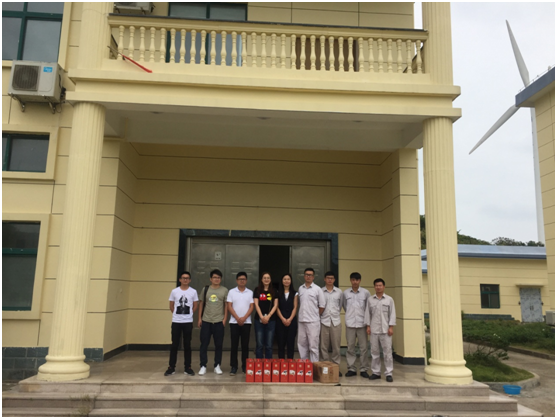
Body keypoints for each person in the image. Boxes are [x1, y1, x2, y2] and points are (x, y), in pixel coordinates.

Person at [165, 271, 199, 376]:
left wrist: (189, 314)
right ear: (180, 279)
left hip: (188, 322)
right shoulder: (174, 291)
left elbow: (195, 305)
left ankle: (188, 367)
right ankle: (171, 367)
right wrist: (177, 314)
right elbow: (171, 305)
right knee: (174, 345)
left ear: (190, 280)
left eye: (187, 278)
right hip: (176, 322)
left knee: (187, 345)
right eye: (183, 278)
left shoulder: (193, 291)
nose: (185, 280)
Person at [198, 269, 228, 375]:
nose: (217, 279)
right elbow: (201, 303)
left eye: (219, 277)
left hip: (219, 321)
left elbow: (226, 305)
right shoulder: (205, 289)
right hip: (206, 321)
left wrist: (225, 319)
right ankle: (203, 365)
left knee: (218, 345)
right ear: (211, 279)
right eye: (215, 277)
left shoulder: (224, 290)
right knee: (204, 344)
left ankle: (217, 365)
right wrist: (199, 318)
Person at [365, 278, 396, 382]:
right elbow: (368, 314)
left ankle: (389, 373)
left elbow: (392, 314)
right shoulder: (370, 300)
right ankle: (376, 372)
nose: (378, 287)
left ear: (384, 286)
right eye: (376, 285)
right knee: (374, 352)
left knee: (387, 352)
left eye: (380, 285)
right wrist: (368, 326)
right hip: (374, 329)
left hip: (386, 330)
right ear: (374, 287)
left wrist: (391, 327)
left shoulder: (389, 299)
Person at [343, 272, 371, 378]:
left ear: (360, 281)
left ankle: (364, 369)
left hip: (362, 324)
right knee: (350, 347)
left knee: (363, 348)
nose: (355, 282)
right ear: (350, 280)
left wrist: (368, 324)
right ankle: (351, 368)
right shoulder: (345, 293)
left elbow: (368, 308)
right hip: (350, 324)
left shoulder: (366, 293)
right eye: (353, 280)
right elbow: (345, 306)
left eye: (357, 280)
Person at [227, 271, 254, 375]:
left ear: (246, 280)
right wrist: (238, 318)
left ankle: (245, 366)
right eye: (240, 279)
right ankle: (233, 367)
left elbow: (252, 307)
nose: (242, 281)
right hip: (234, 322)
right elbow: (229, 306)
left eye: (244, 279)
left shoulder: (250, 292)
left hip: (246, 323)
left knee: (245, 345)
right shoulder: (231, 292)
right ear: (236, 280)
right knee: (234, 345)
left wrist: (244, 318)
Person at [297, 267, 326, 363]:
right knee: (302, 344)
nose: (308, 277)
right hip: (302, 320)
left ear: (313, 277)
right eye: (306, 275)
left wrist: (315, 315)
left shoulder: (317, 289)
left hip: (313, 321)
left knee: (313, 345)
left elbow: (322, 306)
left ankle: (314, 366)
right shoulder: (300, 288)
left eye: (310, 275)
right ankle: (304, 366)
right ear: (304, 276)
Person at [320, 271, 344, 376]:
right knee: (323, 346)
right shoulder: (320, 291)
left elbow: (340, 305)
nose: (330, 280)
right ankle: (325, 367)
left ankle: (335, 368)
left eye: (332, 278)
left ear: (334, 280)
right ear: (324, 279)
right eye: (328, 278)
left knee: (336, 346)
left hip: (335, 322)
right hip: (324, 321)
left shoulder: (339, 292)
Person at [253, 272, 278, 359]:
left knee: (269, 345)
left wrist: (268, 316)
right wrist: (261, 317)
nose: (266, 279)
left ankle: (268, 365)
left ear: (270, 280)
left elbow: (275, 305)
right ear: (261, 279)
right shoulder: (257, 290)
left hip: (271, 320)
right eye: (264, 278)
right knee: (259, 344)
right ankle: (259, 364)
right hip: (258, 320)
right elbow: (256, 304)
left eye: (268, 278)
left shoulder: (274, 290)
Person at [276, 273, 298, 360]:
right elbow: (276, 307)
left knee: (290, 344)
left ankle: (290, 364)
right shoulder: (278, 293)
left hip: (291, 321)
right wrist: (282, 319)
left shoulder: (295, 293)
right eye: (284, 279)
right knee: (281, 344)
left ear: (291, 281)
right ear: (282, 281)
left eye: (288, 279)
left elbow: (295, 307)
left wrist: (289, 319)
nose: (286, 281)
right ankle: (281, 364)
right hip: (280, 320)